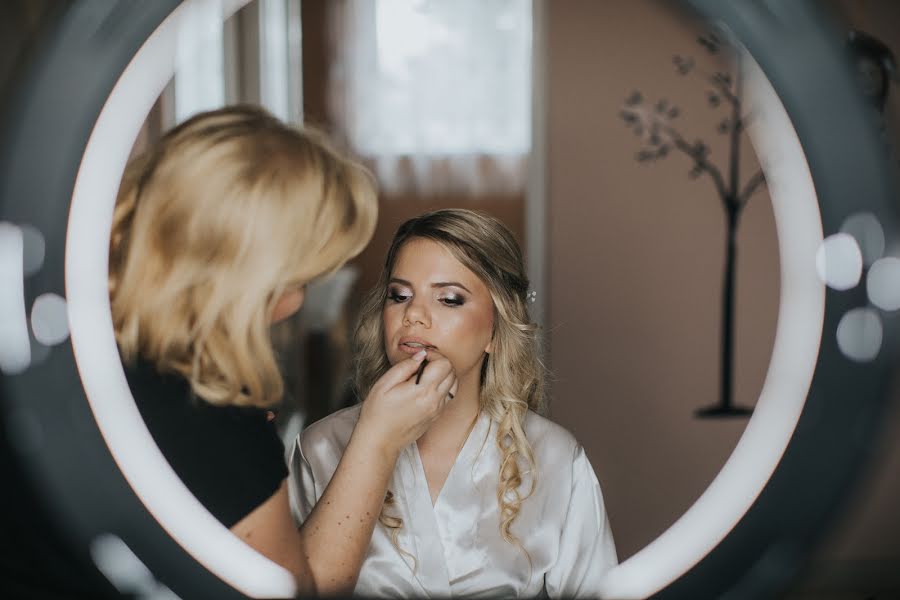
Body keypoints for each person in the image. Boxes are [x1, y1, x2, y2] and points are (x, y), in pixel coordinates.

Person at [108, 105, 457, 595]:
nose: (295, 304)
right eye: (300, 280)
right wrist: (377, 441)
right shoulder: (208, 421)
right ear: (243, 279)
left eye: (449, 298)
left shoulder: (67, 336)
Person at [291, 208, 618, 597]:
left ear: (496, 332)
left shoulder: (556, 457)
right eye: (399, 296)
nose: (413, 314)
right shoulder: (321, 448)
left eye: (449, 299)